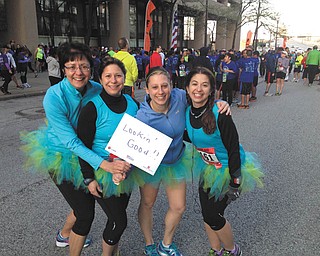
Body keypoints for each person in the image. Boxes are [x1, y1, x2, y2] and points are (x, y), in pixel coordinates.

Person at [20, 42, 128, 255]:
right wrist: (104, 164)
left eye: (84, 66)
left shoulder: (97, 89)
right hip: (62, 155)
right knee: (85, 212)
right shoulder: (54, 96)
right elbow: (71, 142)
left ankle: (64, 235)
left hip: (89, 154)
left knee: (83, 203)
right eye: (71, 67)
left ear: (91, 68)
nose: (78, 72)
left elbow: (120, 108)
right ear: (63, 70)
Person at [135, 66, 230, 256]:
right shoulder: (142, 117)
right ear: (147, 90)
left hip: (176, 161)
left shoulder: (179, 96)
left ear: (171, 85)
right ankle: (149, 243)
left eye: (164, 86)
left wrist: (220, 102)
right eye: (154, 88)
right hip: (151, 165)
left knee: (178, 207)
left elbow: (200, 98)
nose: (160, 92)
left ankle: (166, 244)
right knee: (147, 203)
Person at [184, 66, 264, 256]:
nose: (198, 89)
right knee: (207, 214)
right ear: (187, 88)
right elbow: (190, 136)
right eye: (194, 84)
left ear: (212, 89)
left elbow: (233, 148)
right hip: (208, 167)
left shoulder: (221, 114)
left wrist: (234, 182)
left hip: (228, 170)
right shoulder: (187, 112)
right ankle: (216, 250)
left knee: (214, 215)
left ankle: (233, 250)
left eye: (204, 85)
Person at [77, 57, 138, 256]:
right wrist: (89, 178)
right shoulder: (92, 107)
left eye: (118, 76)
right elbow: (82, 146)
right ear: (101, 80)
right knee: (120, 221)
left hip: (126, 171)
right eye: (108, 76)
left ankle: (113, 251)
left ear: (124, 78)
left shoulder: (132, 103)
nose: (113, 80)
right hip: (101, 171)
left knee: (115, 219)